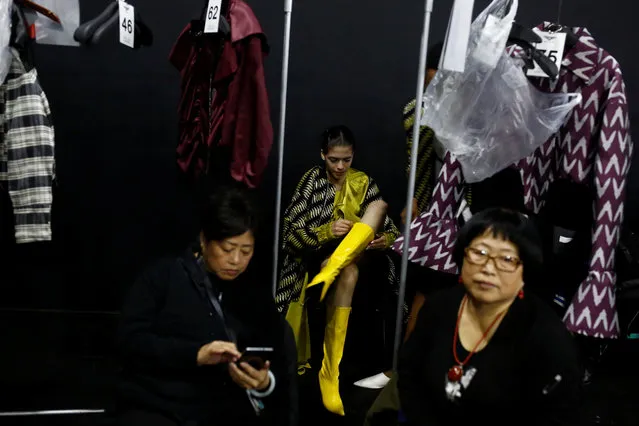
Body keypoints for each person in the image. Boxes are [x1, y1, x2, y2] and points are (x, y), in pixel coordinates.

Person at [116, 185, 297, 426]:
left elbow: (279, 363)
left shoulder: (255, 295)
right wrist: (196, 354)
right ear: (204, 240)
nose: (235, 260)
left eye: (246, 251)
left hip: (227, 410)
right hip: (160, 408)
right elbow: (131, 342)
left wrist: (264, 383)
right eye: (227, 249)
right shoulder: (162, 278)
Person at [397, 208, 582, 426]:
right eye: (480, 253)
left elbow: (557, 414)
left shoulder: (547, 338)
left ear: (525, 271)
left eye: (506, 259)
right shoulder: (438, 307)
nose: (488, 268)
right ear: (462, 256)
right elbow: (410, 377)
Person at [275, 125, 400, 416]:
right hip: (322, 255)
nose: (341, 166)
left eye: (346, 159)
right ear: (323, 155)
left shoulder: (363, 181)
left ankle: (334, 266)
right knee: (349, 273)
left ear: (353, 155)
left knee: (378, 207)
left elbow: (392, 229)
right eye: (334, 160)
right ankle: (330, 372)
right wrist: (326, 230)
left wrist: (383, 239)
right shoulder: (311, 181)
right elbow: (289, 234)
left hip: (364, 257)